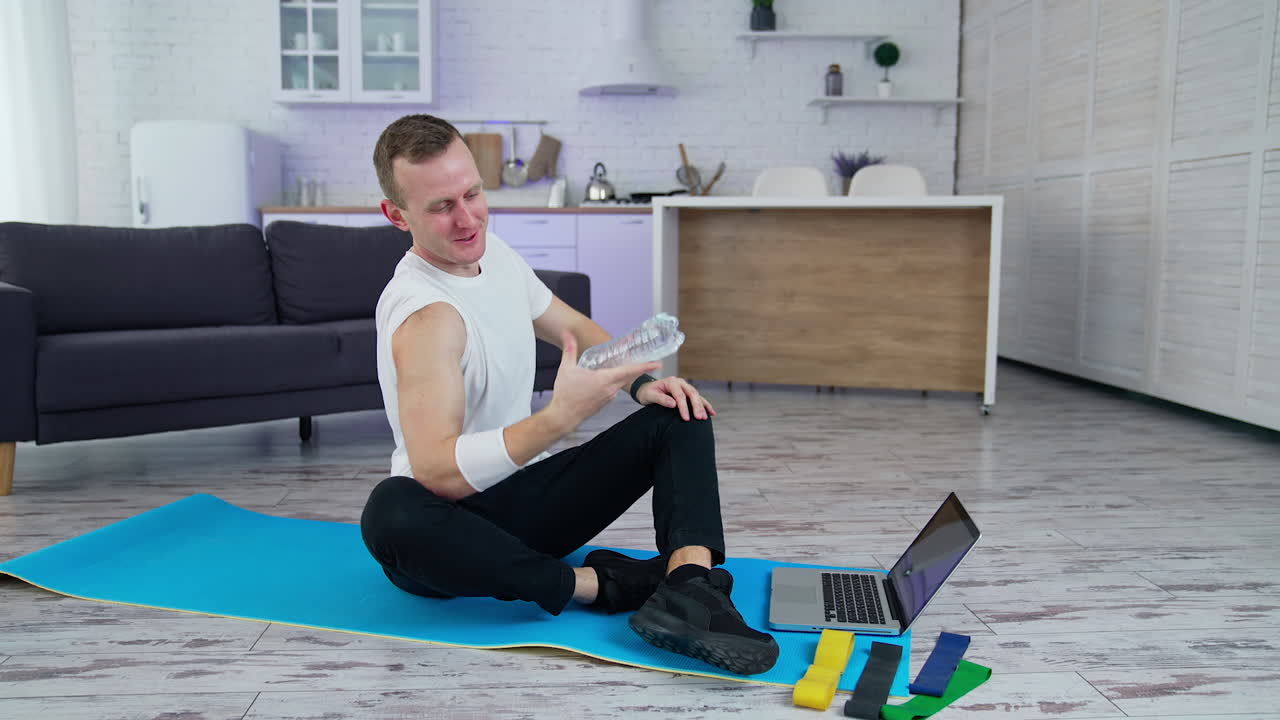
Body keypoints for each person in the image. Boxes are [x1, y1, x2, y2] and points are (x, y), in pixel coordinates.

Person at [358, 114, 778, 676]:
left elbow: (572, 330)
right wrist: (560, 417)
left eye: (473, 194)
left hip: (526, 508)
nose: (467, 219)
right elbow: (436, 473)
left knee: (679, 411)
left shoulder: (494, 254)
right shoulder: (426, 315)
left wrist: (643, 382)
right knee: (390, 511)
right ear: (396, 214)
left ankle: (690, 589)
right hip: (446, 536)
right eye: (441, 206)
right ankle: (597, 585)